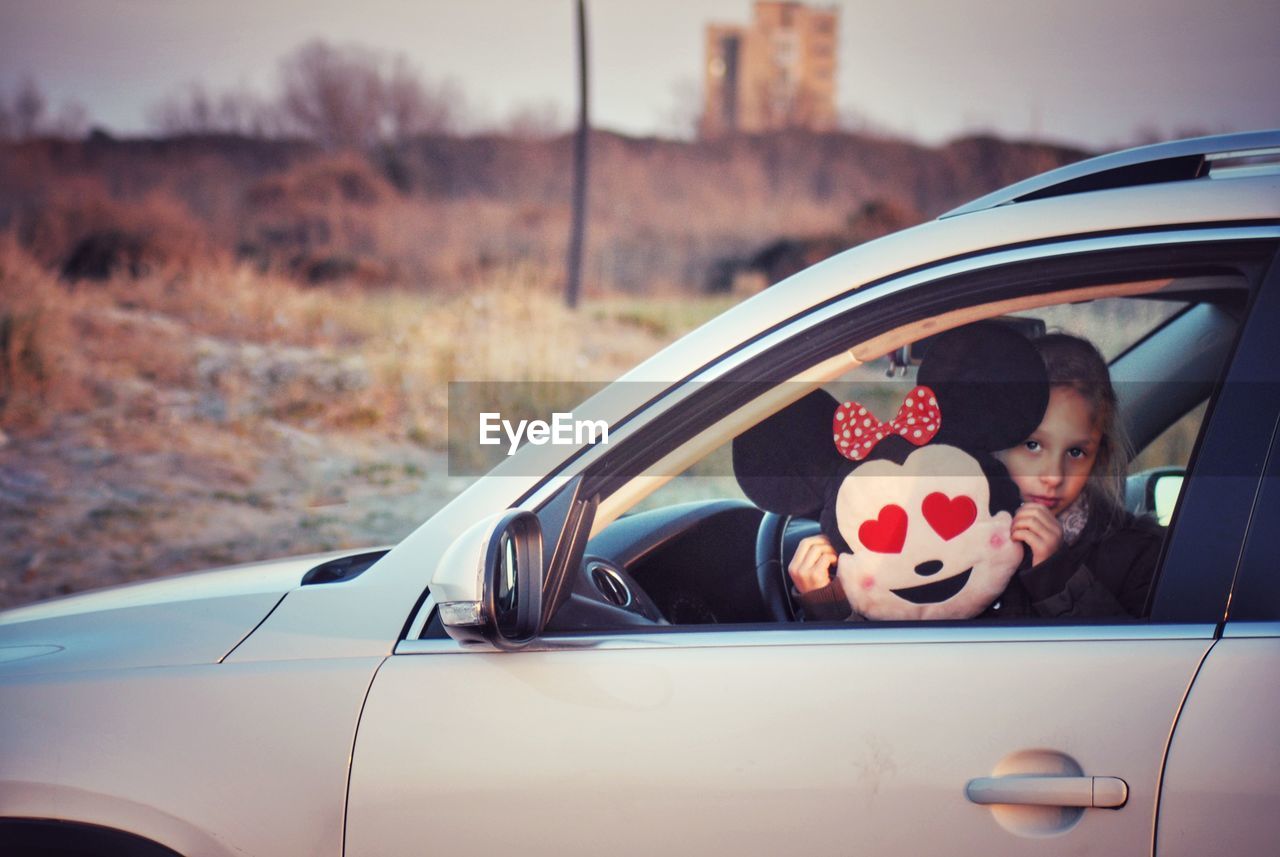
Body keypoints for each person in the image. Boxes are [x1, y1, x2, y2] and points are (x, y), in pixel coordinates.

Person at [787, 332, 1163, 620]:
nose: (1052, 476)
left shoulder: (1140, 556)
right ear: (992, 438)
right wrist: (830, 605)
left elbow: (1133, 678)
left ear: (1100, 457)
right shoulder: (934, 527)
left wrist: (1058, 578)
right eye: (1032, 446)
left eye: (1077, 452)